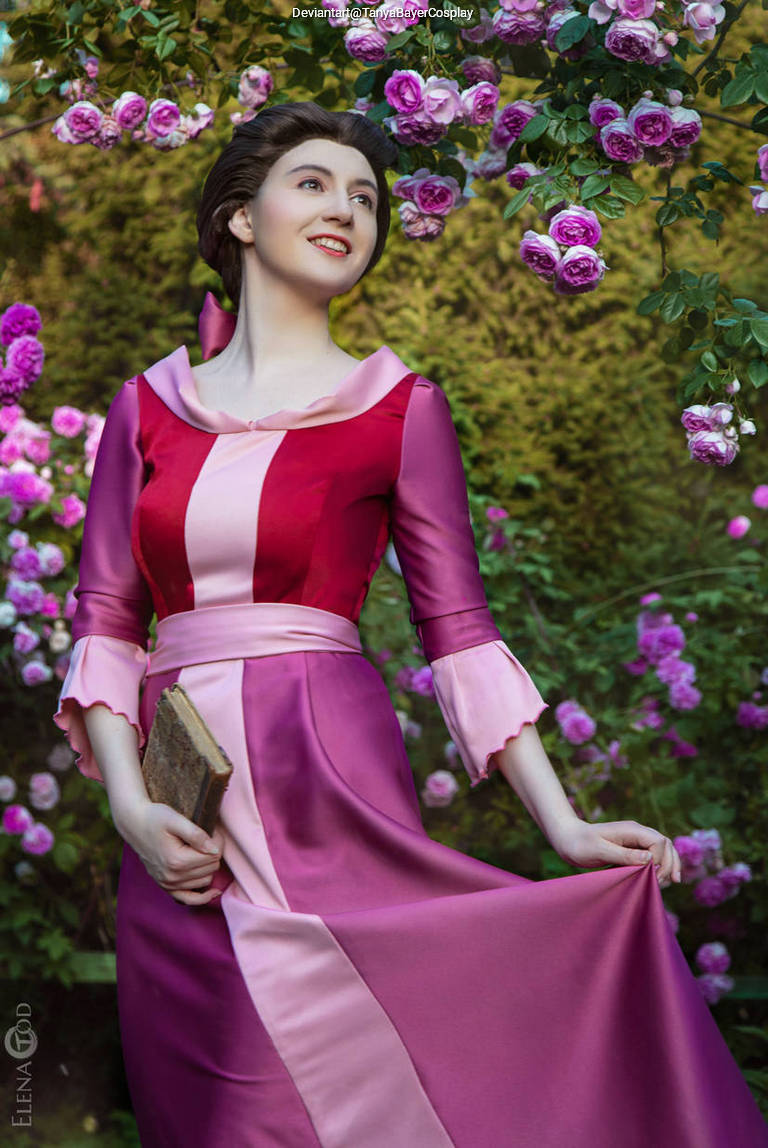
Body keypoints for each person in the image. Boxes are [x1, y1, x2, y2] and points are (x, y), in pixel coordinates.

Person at [54, 100, 767, 1147]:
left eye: (366, 196)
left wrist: (563, 826)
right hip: (178, 824)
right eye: (314, 182)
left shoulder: (399, 406)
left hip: (327, 782)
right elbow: (108, 620)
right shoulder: (145, 406)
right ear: (241, 218)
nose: (348, 205)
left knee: (355, 1085)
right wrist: (127, 802)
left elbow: (460, 630)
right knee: (209, 1113)